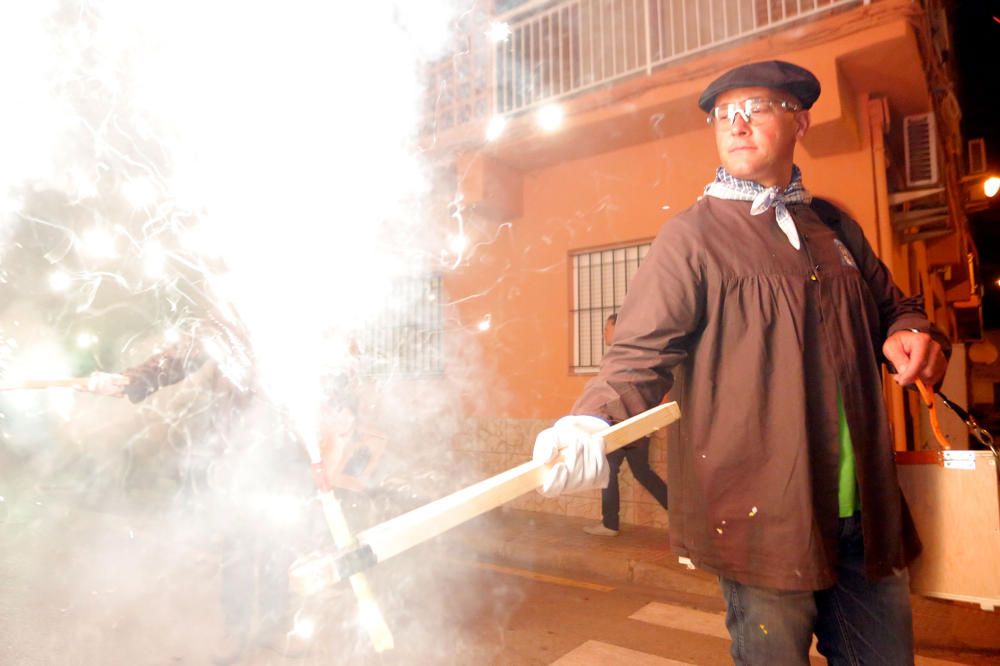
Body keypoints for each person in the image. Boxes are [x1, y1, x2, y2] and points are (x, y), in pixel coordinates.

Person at [532, 60, 949, 665]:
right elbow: (639, 354)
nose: (737, 123)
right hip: (764, 525)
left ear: (799, 121)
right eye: (723, 114)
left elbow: (897, 305)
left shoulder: (832, 226)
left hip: (864, 515)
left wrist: (909, 330)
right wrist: (590, 422)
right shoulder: (692, 239)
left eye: (757, 108)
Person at [87, 307, 315, 664]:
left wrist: (317, 453)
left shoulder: (296, 325)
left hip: (283, 464)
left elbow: (318, 387)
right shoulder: (231, 323)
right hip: (236, 462)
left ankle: (274, 631)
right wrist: (131, 381)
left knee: (276, 551)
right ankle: (236, 635)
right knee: (238, 551)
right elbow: (179, 357)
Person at [583, 313, 668, 536]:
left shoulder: (622, 359)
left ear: (619, 329)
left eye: (607, 328)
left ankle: (610, 525)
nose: (604, 333)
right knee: (641, 473)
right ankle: (682, 520)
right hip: (632, 423)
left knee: (612, 471)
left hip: (624, 424)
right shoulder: (629, 356)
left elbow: (619, 393)